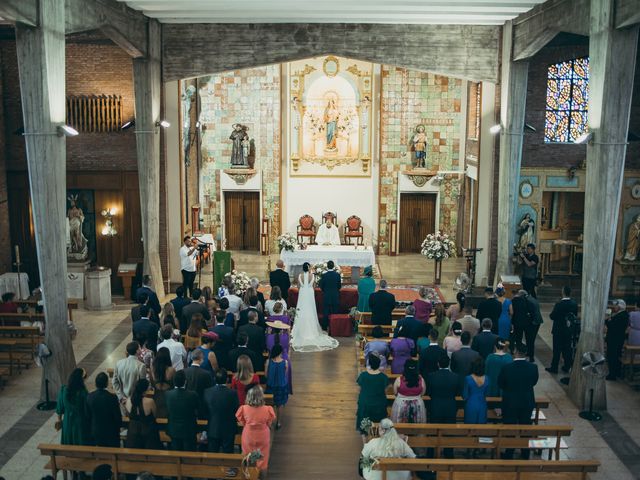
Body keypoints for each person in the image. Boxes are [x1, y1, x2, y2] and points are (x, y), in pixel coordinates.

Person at [499, 342, 539, 459]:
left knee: (510, 428)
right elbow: (534, 382)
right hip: (527, 401)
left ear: (515, 352)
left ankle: (509, 453)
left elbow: (501, 384)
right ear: (525, 353)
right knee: (525, 427)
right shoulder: (533, 367)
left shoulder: (507, 368)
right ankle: (525, 453)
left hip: (510, 402)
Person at [291, 262, 339, 351]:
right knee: (310, 310)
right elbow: (313, 287)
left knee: (301, 310)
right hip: (309, 294)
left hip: (302, 294)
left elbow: (298, 286)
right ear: (309, 268)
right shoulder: (312, 276)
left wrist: (303, 290)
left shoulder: (299, 276)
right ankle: (312, 330)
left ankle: (301, 330)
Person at [236, 386, 276, 473]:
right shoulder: (267, 409)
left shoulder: (244, 408)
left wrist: (247, 425)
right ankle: (260, 474)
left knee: (248, 457)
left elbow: (242, 421)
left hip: (248, 436)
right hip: (262, 436)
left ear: (248, 396)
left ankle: (249, 474)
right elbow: (269, 423)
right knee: (262, 459)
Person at [426, 354, 460, 458]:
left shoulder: (431, 376)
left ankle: (431, 453)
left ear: (438, 364)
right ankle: (449, 453)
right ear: (448, 364)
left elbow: (429, 392)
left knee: (433, 431)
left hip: (435, 405)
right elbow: (457, 392)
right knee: (449, 432)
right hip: (450, 406)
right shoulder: (455, 376)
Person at [203, 368, 239, 453]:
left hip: (213, 427)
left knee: (212, 456)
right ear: (227, 379)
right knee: (228, 456)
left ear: (214, 379)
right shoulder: (232, 393)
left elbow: (205, 411)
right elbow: (236, 409)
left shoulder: (207, 392)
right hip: (228, 429)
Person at [356, 354, 389, 443]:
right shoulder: (383, 377)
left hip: (365, 404)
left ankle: (365, 445)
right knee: (378, 424)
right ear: (379, 364)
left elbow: (359, 389)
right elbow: (385, 391)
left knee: (364, 425)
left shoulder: (363, 375)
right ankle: (376, 442)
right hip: (379, 404)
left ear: (369, 364)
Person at [546, 286, 578, 374]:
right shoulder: (574, 303)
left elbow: (552, 316)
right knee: (567, 349)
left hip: (558, 330)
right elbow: (574, 316)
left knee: (557, 349)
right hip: (569, 330)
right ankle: (567, 366)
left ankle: (554, 367)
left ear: (563, 292)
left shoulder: (559, 304)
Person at [164, 370, 199, 451]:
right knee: (190, 455)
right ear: (185, 382)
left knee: (176, 455)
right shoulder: (192, 394)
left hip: (174, 429)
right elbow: (197, 408)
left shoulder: (168, 394)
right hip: (189, 429)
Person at [85, 372, 121, 447]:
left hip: (96, 430)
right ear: (106, 383)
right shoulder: (112, 397)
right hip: (111, 431)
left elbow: (87, 415)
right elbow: (117, 417)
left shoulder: (89, 397)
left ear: (96, 383)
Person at [56, 368, 89, 445]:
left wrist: (59, 420)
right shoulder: (83, 393)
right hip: (80, 422)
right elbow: (87, 410)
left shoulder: (63, 390)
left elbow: (59, 409)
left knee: (68, 442)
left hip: (67, 422)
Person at [125, 378, 161, 449]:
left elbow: (128, 415)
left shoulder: (129, 400)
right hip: (148, 436)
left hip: (132, 434)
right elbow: (155, 416)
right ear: (146, 389)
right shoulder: (150, 401)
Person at [390, 359, 426, 423]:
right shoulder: (421, 380)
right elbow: (422, 393)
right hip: (417, 405)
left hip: (401, 404)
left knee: (399, 425)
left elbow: (395, 393)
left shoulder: (399, 379)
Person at [112, 341, 147, 405]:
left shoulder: (119, 363)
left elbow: (114, 381)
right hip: (136, 400)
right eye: (139, 347)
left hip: (123, 400)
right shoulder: (141, 366)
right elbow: (142, 385)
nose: (141, 349)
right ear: (137, 351)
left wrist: (121, 396)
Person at [265, 320, 293, 394]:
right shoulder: (285, 337)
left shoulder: (269, 337)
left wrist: (268, 333)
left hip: (272, 358)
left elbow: (268, 347)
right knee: (283, 378)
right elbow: (287, 347)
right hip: (283, 358)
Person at [265, 344, 289, 429]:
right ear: (280, 352)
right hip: (281, 386)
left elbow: (265, 375)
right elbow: (285, 375)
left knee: (270, 405)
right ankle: (278, 422)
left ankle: (270, 422)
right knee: (280, 405)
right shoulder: (285, 362)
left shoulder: (268, 362)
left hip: (271, 386)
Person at [606, 299, 630, 381]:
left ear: (620, 306)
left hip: (614, 339)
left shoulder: (620, 316)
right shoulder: (624, 314)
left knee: (612, 356)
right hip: (618, 338)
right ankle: (617, 373)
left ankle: (612, 375)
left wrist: (608, 320)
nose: (614, 307)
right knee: (616, 355)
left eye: (616, 305)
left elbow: (612, 326)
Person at [463, 357, 489, 424]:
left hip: (471, 404)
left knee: (469, 428)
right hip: (482, 404)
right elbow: (486, 393)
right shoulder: (487, 378)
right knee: (481, 429)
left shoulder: (468, 378)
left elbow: (465, 396)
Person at [150, 347, 174, 418]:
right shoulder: (171, 370)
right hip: (169, 398)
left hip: (157, 397)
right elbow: (174, 384)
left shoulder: (153, 369)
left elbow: (152, 383)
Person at [319, 260, 342, 331]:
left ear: (327, 266)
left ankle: (324, 327)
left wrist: (325, 291)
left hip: (327, 295)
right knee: (335, 311)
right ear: (333, 266)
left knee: (326, 311)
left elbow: (321, 286)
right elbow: (339, 286)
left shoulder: (324, 275)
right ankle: (335, 327)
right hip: (335, 295)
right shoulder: (337, 275)